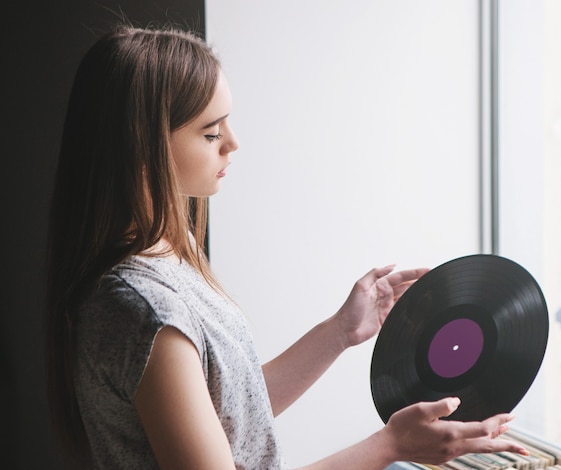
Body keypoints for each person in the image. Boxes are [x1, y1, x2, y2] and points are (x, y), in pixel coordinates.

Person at [45, 24, 529, 470]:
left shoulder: (166, 253)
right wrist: (391, 446)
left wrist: (341, 330)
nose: (232, 143)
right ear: (141, 147)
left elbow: (234, 413)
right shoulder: (141, 310)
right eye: (210, 132)